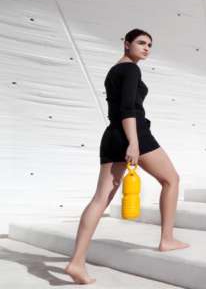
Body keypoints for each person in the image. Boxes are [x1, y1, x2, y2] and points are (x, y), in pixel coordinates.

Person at [64, 29, 188, 285]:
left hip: (112, 135)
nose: (146, 48)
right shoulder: (131, 70)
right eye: (141, 43)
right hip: (134, 133)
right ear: (127, 43)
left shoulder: (114, 70)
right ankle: (167, 239)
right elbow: (128, 108)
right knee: (171, 180)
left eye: (150, 45)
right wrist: (133, 142)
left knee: (100, 199)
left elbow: (119, 108)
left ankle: (76, 261)